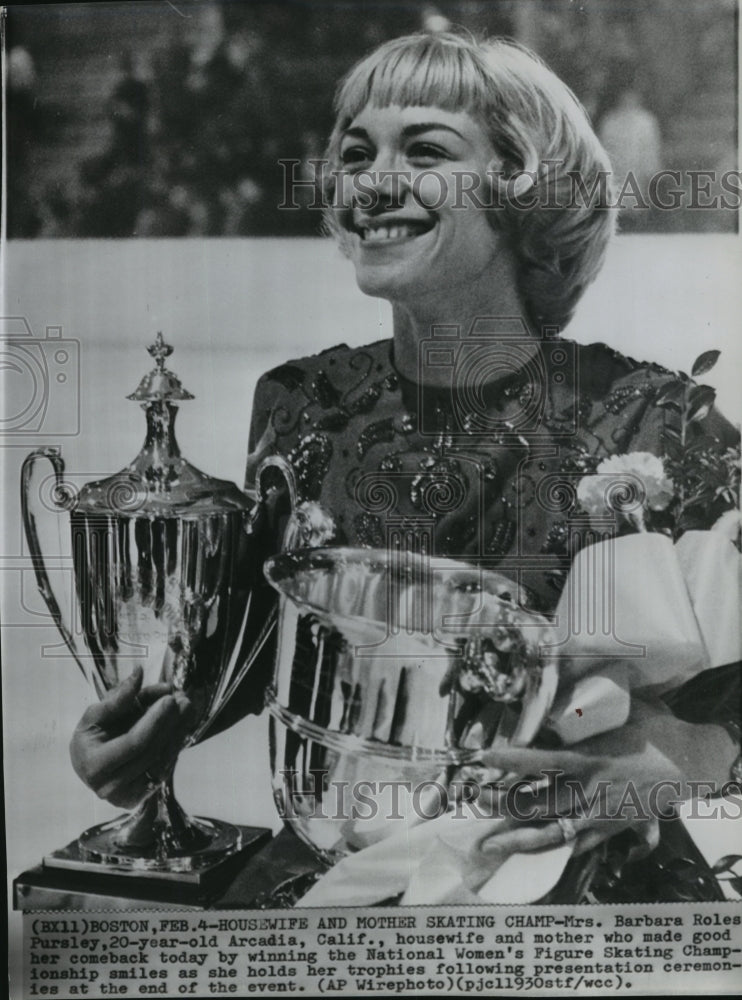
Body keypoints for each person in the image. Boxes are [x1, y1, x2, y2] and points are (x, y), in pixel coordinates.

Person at [70, 31, 740, 902]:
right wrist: (145, 737)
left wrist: (679, 756)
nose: (371, 181)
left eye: (424, 149)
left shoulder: (657, 414)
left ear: (521, 184)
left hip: (580, 898)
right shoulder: (303, 405)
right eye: (354, 154)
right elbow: (263, 657)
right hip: (343, 877)